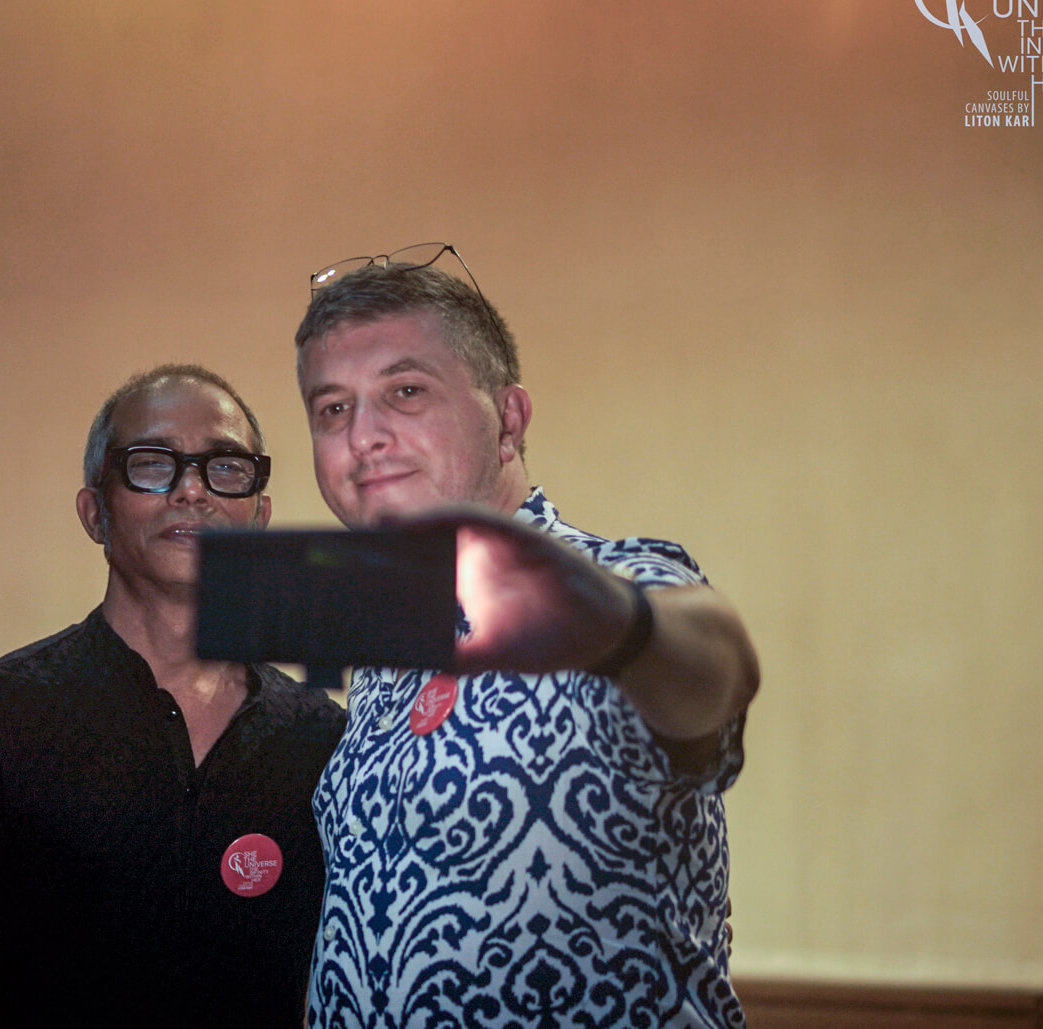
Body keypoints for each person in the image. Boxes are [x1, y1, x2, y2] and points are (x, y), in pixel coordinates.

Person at [294, 246, 760, 1029]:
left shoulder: (608, 585)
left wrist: (624, 625)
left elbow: (714, 670)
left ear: (508, 420)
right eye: (333, 409)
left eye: (405, 391)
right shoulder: (382, 652)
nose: (363, 435)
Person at [0, 364, 347, 1028]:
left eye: (225, 468)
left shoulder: (322, 740)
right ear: (94, 513)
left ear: (259, 518)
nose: (192, 489)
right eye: (153, 465)